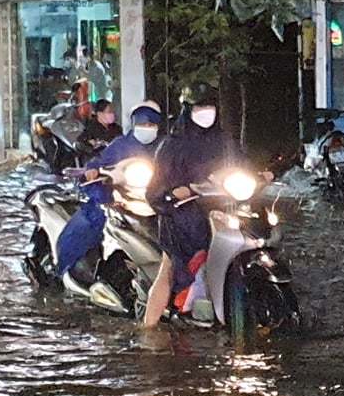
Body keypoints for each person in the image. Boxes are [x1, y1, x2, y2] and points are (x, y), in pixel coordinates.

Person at [143, 82, 246, 327]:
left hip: (222, 213)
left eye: (210, 106)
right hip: (182, 218)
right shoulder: (171, 145)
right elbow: (154, 192)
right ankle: (148, 328)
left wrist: (259, 176)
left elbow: (242, 165)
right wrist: (173, 194)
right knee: (168, 269)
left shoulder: (224, 140)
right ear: (187, 109)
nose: (206, 111)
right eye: (200, 107)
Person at [55, 101, 164, 277]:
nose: (147, 128)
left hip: (154, 201)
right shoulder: (120, 145)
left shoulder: (164, 146)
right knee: (89, 223)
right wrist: (93, 171)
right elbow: (99, 162)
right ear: (134, 124)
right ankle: (65, 270)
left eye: (151, 124)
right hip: (118, 198)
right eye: (143, 124)